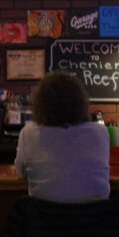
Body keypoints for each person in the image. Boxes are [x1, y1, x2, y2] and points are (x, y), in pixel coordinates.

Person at [14, 71, 109, 203]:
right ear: (80, 102)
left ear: (41, 104)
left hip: (43, 221)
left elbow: (21, 172)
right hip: (95, 220)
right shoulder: (100, 132)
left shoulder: (29, 133)